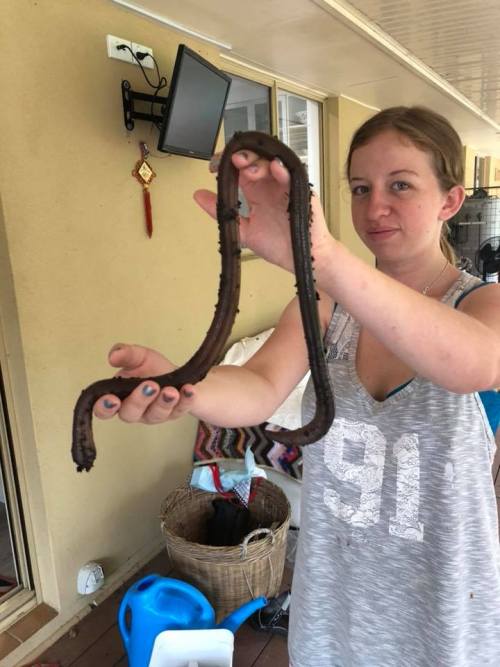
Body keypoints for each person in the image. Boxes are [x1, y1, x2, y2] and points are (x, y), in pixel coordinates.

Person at [94, 106, 500, 666]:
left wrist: (324, 259)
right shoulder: (325, 306)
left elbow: (475, 363)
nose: (374, 207)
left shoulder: (481, 302)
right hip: (336, 591)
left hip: (444, 597)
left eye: (400, 185)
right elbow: (258, 385)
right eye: (360, 188)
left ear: (450, 201)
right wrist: (183, 387)